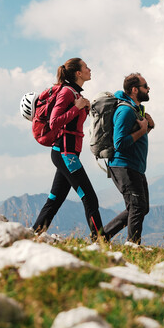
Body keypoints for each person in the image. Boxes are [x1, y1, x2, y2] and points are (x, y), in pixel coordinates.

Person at [32, 58, 108, 241]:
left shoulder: (74, 93)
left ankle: (32, 236)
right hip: (65, 153)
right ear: (78, 73)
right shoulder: (67, 92)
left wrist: (84, 107)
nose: (90, 69)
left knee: (55, 199)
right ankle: (100, 241)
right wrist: (76, 107)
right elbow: (54, 122)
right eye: (86, 67)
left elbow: (72, 122)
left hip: (67, 153)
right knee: (89, 197)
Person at [102, 72, 154, 244]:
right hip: (123, 166)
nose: (148, 89)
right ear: (134, 89)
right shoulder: (125, 111)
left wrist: (148, 128)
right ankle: (132, 245)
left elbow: (133, 138)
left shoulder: (134, 110)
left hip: (134, 166)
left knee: (141, 207)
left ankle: (102, 237)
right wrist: (143, 130)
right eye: (145, 86)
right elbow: (119, 143)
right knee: (137, 206)